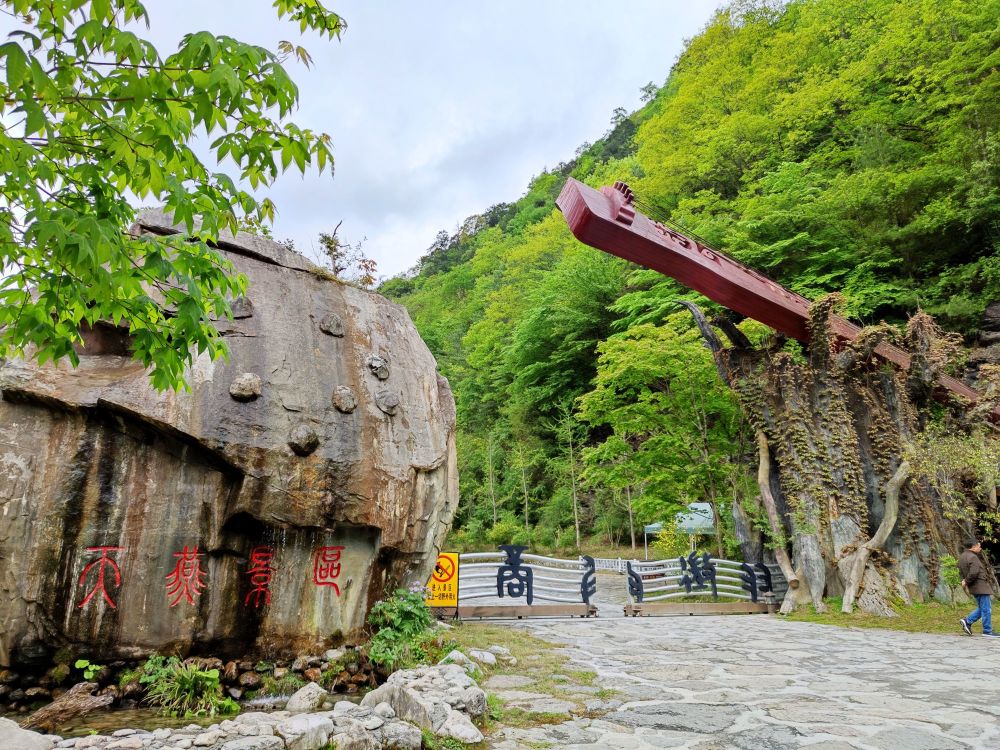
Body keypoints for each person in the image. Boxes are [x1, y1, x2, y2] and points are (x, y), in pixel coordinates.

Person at [958, 538, 999, 637]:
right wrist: (966, 581)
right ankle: (987, 631)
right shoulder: (972, 557)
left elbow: (961, 571)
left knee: (983, 608)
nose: (980, 548)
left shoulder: (963, 556)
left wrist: (965, 581)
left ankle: (967, 621)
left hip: (974, 587)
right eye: (979, 546)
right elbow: (974, 572)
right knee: (986, 609)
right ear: (974, 546)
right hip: (980, 586)